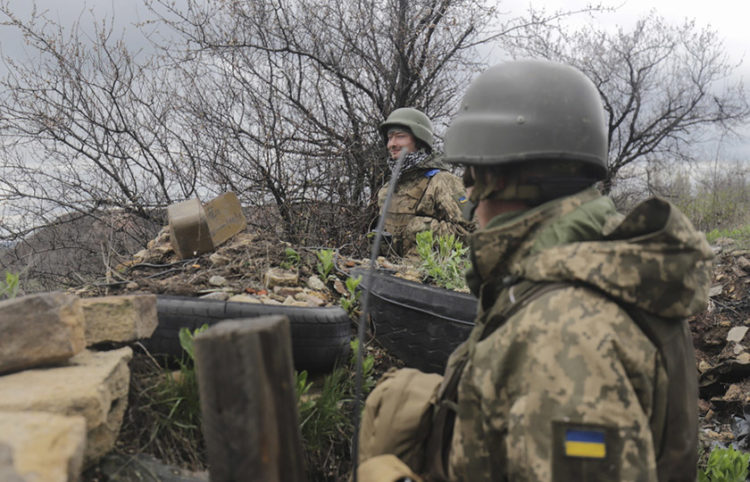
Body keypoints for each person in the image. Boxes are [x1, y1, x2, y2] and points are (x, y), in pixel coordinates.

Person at [358, 60, 713, 481]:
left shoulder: (563, 333)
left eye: (471, 181)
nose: (470, 202)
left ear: (496, 178)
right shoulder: (600, 272)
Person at [375, 107, 473, 257]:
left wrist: (420, 228)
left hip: (433, 276)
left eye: (400, 136)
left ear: (419, 140)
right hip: (393, 274)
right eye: (389, 137)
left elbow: (472, 234)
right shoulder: (387, 190)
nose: (392, 144)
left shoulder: (442, 181)